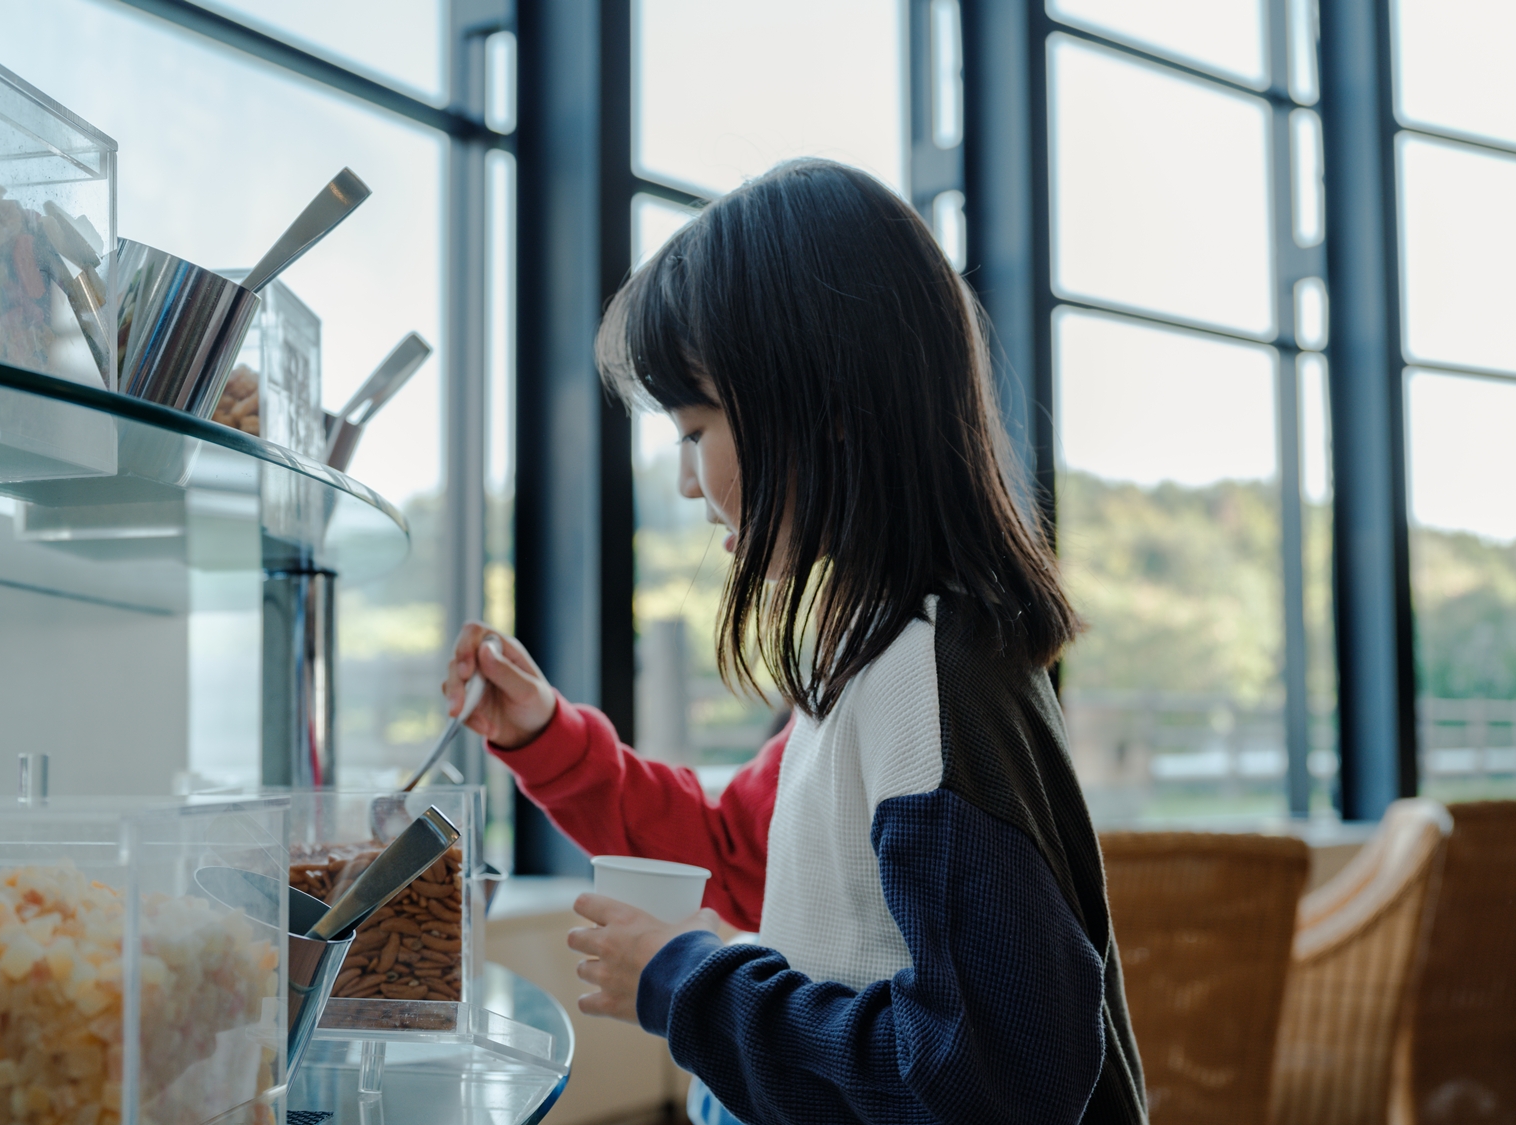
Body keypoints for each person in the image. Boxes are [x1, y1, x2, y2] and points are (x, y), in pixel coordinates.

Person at [441, 159, 1146, 1125]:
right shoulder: (878, 665)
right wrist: (546, 734)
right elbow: (738, 849)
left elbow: (987, 1076)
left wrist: (691, 980)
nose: (690, 483)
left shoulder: (924, 685)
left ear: (828, 408)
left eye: (697, 429)